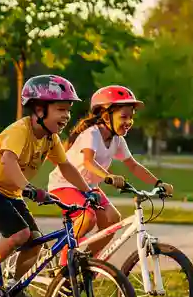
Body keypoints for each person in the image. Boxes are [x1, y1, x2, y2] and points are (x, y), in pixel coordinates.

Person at [0, 75, 98, 297]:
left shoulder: (50, 138)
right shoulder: (20, 131)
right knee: (20, 234)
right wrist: (28, 188)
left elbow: (66, 167)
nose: (67, 116)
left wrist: (87, 191)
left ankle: (15, 289)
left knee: (34, 240)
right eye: (61, 109)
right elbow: (8, 161)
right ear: (39, 109)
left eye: (69, 110)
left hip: (10, 191)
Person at [47, 85, 174, 255]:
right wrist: (109, 176)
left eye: (131, 117)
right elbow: (88, 162)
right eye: (123, 117)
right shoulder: (91, 134)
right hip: (65, 184)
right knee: (87, 218)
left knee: (113, 220)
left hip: (90, 187)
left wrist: (158, 183)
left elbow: (134, 166)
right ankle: (64, 263)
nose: (129, 122)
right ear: (106, 116)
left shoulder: (118, 140)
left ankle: (88, 265)